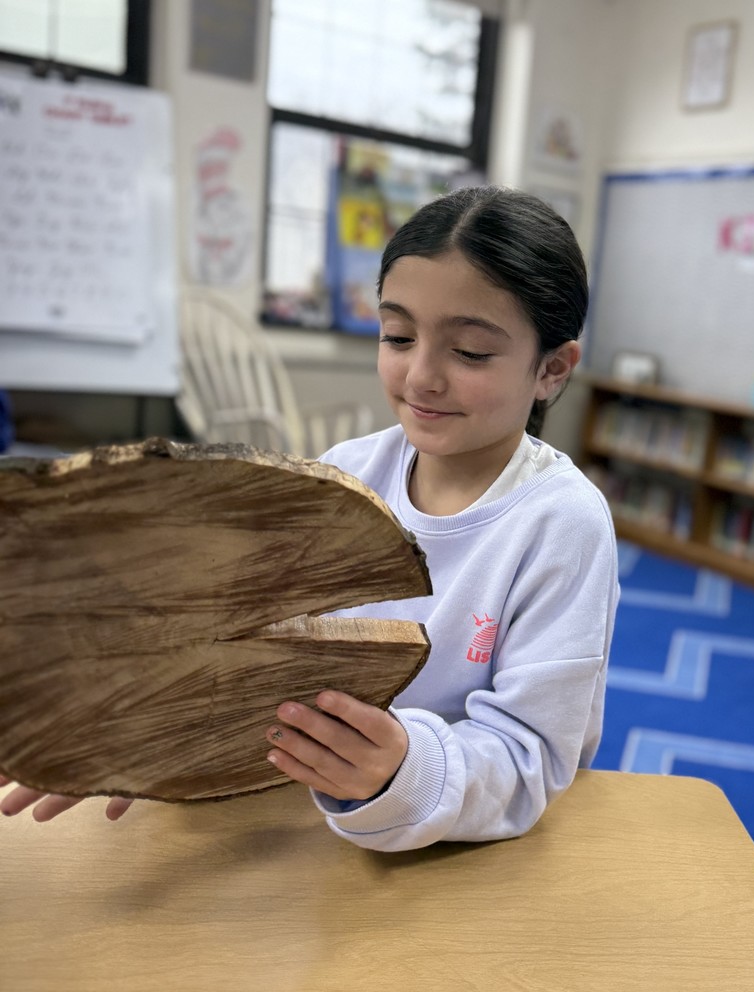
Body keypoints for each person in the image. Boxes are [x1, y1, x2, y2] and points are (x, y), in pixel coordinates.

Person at [1, 185, 620, 851]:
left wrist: (400, 769)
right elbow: (260, 645)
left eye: (469, 352)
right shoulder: (346, 474)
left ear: (552, 369)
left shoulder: (563, 523)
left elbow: (530, 757)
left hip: (478, 852)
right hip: (309, 816)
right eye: (398, 335)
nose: (419, 376)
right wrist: (155, 724)